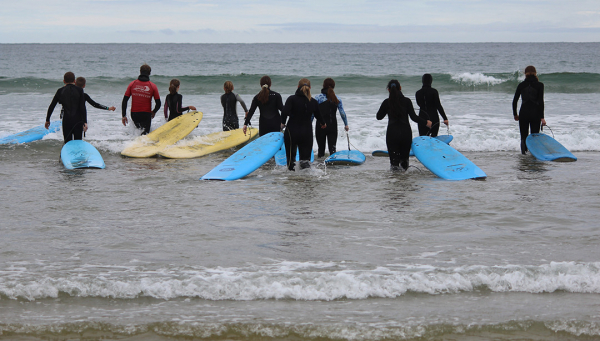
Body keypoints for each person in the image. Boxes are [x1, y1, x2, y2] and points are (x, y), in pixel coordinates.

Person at [376, 79, 431, 171]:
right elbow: (414, 117)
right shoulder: (407, 101)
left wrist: (386, 108)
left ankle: (395, 182)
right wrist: (426, 122)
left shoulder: (387, 102)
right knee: (404, 162)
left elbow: (379, 117)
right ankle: (404, 182)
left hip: (392, 133)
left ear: (389, 90)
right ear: (400, 88)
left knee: (394, 163)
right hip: (405, 133)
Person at [281, 78, 327, 171]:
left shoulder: (291, 99)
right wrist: (323, 124)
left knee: (290, 162)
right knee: (305, 163)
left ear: (298, 87)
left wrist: (282, 123)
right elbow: (319, 116)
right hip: (306, 133)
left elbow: (284, 112)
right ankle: (304, 182)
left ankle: (290, 181)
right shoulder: (313, 102)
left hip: (291, 132)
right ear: (310, 88)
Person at [45, 71, 87, 143]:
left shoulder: (60, 91)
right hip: (78, 120)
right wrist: (85, 122)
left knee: (68, 142)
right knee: (78, 142)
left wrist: (47, 120)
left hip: (67, 120)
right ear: (74, 81)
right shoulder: (80, 90)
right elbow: (82, 107)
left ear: (64, 81)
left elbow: (52, 106)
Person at [313, 78, 349, 158]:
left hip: (320, 126)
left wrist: (309, 123)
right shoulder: (337, 98)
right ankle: (333, 167)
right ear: (333, 86)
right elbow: (342, 113)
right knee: (332, 150)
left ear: (323, 86)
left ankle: (321, 168)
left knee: (321, 150)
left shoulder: (317, 98)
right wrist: (346, 124)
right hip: (332, 126)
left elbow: (313, 113)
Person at [512, 65, 545, 154]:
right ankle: (533, 154)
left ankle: (524, 155)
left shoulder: (521, 85)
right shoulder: (540, 85)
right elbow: (540, 102)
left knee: (523, 136)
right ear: (535, 73)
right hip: (535, 114)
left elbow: (514, 101)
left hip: (524, 113)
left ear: (525, 73)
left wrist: (515, 114)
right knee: (534, 136)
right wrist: (542, 117)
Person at [121, 64, 161, 135]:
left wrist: (124, 115)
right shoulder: (153, 86)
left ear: (140, 72)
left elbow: (125, 101)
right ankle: (143, 144)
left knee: (138, 132)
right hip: (146, 114)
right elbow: (158, 103)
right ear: (149, 73)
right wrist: (154, 112)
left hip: (134, 114)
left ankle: (135, 143)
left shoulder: (132, 84)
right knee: (146, 134)